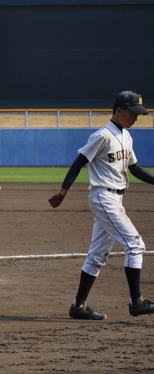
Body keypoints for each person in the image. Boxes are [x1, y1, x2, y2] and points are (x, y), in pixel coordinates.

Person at [49, 90, 154, 320]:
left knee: (97, 255)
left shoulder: (126, 136)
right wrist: (63, 191)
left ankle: (78, 306)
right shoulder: (103, 136)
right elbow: (79, 161)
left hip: (116, 199)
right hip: (103, 197)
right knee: (135, 245)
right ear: (119, 111)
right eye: (133, 113)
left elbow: (135, 169)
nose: (136, 118)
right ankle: (136, 302)